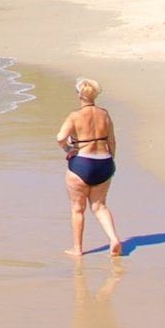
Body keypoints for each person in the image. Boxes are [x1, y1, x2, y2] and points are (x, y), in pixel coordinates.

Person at [55, 78, 124, 258]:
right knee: (99, 206)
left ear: (79, 94)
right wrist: (111, 162)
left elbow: (60, 138)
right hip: (104, 162)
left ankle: (77, 248)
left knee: (78, 209)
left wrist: (70, 149)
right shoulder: (105, 114)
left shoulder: (74, 116)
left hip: (82, 164)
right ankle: (114, 238)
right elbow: (112, 141)